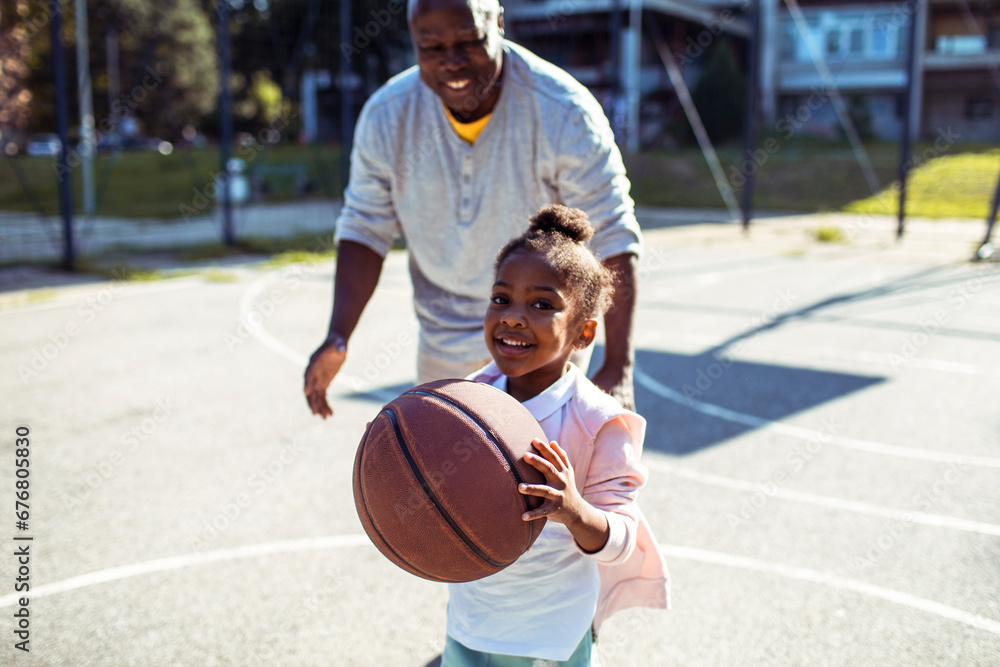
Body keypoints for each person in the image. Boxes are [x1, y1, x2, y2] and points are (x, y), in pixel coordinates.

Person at [304, 0, 643, 417]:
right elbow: (365, 227)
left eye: (468, 42)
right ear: (413, 41)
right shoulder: (386, 116)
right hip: (443, 348)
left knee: (541, 479)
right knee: (437, 477)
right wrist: (338, 334)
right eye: (432, 47)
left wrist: (619, 365)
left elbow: (612, 233)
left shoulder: (564, 110)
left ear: (498, 24)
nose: (453, 62)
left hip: (544, 354)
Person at [442, 205, 667, 666]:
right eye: (501, 298)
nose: (514, 317)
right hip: (472, 619)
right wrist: (399, 459)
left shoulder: (599, 421)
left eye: (542, 305)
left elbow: (623, 538)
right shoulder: (465, 400)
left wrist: (573, 510)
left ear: (584, 334)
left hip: (551, 634)